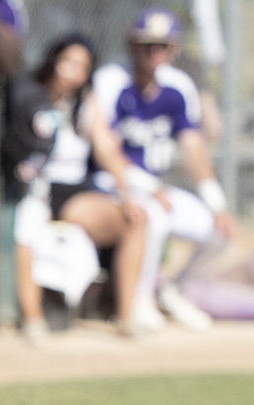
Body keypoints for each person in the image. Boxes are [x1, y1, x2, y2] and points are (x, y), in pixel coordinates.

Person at [89, 8, 236, 331]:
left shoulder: (178, 86)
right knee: (151, 216)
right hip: (112, 185)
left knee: (220, 232)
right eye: (147, 44)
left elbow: (194, 150)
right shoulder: (112, 81)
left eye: (163, 45)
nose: (155, 52)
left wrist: (218, 205)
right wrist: (149, 188)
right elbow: (106, 152)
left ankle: (172, 290)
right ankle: (139, 299)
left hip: (157, 188)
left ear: (175, 48)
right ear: (132, 45)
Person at [5, 33, 152, 340]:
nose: (73, 72)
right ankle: (32, 319)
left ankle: (127, 316)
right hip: (38, 188)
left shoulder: (85, 102)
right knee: (28, 225)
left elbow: (107, 150)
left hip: (75, 191)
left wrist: (126, 195)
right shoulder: (31, 95)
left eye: (82, 66)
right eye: (68, 62)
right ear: (54, 61)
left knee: (135, 219)